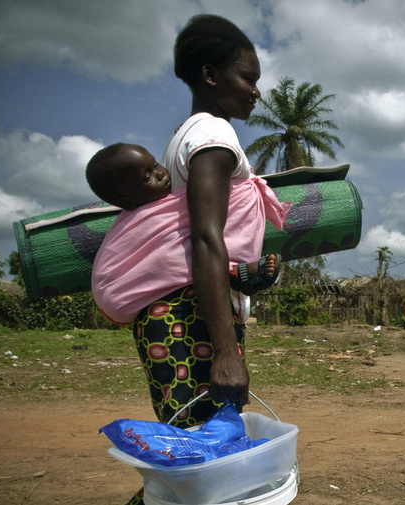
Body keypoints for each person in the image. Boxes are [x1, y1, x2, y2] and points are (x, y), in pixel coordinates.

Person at [113, 15, 279, 505]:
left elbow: (195, 241)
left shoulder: (187, 135)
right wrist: (226, 352)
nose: (255, 92)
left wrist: (244, 282)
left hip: (181, 315)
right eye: (247, 78)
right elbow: (206, 240)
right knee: (199, 465)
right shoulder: (213, 137)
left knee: (199, 459)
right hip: (190, 319)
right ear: (210, 76)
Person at [87, 142, 286, 325]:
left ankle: (230, 271)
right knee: (174, 256)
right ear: (128, 202)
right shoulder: (139, 219)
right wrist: (240, 189)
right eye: (148, 177)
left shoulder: (170, 201)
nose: (161, 174)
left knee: (186, 248)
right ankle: (229, 272)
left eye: (156, 165)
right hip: (117, 293)